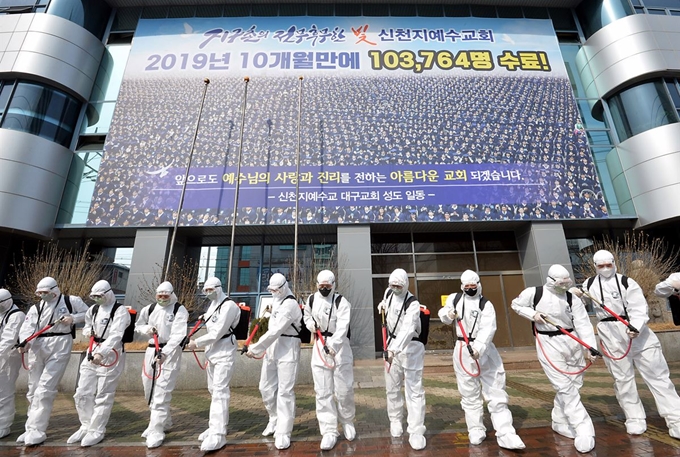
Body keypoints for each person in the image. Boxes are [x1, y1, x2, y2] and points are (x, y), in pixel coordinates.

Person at [575, 250, 680, 439]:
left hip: (636, 332)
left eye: (609, 264)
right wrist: (574, 293)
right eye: (601, 266)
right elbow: (578, 302)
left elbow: (639, 308)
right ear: (596, 266)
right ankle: (634, 418)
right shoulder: (589, 284)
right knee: (623, 380)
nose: (606, 269)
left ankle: (676, 419)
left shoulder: (627, 282)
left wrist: (636, 326)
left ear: (614, 263)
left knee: (658, 378)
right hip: (610, 334)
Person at [511, 265, 596, 453]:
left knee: (574, 384)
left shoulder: (571, 297)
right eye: (560, 282)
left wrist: (590, 346)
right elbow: (516, 304)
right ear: (550, 280)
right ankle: (583, 428)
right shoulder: (534, 293)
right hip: (548, 341)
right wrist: (533, 314)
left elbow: (583, 322)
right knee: (563, 386)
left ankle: (559, 421)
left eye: (567, 282)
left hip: (571, 341)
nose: (564, 285)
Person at [438, 270, 525, 450]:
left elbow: (488, 328)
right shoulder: (455, 299)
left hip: (484, 351)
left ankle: (506, 433)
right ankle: (476, 429)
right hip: (462, 350)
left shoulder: (486, 304)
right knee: (469, 393)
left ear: (479, 284)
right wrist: (449, 314)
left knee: (496, 391)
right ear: (462, 286)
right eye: (467, 287)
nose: (470, 289)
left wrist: (479, 347)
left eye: (473, 286)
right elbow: (443, 314)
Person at [16, 277, 88, 446]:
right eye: (40, 293)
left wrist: (73, 318)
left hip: (60, 343)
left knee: (45, 388)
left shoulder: (72, 301)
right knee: (33, 389)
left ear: (54, 290)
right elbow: (28, 327)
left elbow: (89, 313)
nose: (43, 295)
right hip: (38, 345)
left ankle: (37, 430)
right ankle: (30, 427)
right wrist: (25, 342)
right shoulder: (36, 307)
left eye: (46, 292)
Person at [67, 280, 130, 446]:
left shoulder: (120, 311)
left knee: (103, 394)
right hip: (92, 350)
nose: (97, 299)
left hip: (111, 354)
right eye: (94, 296)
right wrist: (89, 332)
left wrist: (102, 353)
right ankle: (86, 425)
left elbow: (116, 335)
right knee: (82, 392)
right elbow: (87, 324)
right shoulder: (93, 309)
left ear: (108, 293)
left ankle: (97, 430)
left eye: (100, 296)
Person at [245, 273, 302, 450]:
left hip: (287, 347)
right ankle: (274, 417)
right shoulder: (276, 301)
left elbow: (276, 330)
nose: (274, 292)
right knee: (265, 387)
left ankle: (284, 432)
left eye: (276, 289)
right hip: (272, 349)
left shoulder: (290, 304)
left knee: (285, 391)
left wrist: (255, 347)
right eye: (271, 290)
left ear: (284, 287)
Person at [185, 277, 241, 452]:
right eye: (206, 290)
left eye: (211, 290)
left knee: (220, 392)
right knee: (212, 390)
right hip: (212, 353)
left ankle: (219, 434)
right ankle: (214, 426)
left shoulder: (229, 306)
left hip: (224, 352)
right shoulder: (212, 306)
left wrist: (197, 343)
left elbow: (217, 332)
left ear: (219, 288)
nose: (208, 293)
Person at [302, 270, 356, 451]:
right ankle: (329, 431)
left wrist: (333, 345)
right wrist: (310, 324)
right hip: (319, 347)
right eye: (321, 286)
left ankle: (347, 421)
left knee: (344, 390)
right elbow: (306, 315)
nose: (324, 289)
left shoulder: (342, 302)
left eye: (328, 286)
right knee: (323, 392)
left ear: (334, 284)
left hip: (339, 349)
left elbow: (343, 327)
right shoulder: (311, 299)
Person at [377, 268, 426, 450]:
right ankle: (395, 420)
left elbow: (406, 330)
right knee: (392, 387)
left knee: (414, 390)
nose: (395, 288)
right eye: (392, 285)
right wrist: (381, 305)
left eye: (398, 286)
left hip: (410, 348)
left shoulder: (413, 304)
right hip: (390, 345)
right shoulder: (389, 292)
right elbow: (385, 303)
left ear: (405, 284)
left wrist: (394, 350)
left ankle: (416, 430)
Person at [135, 281, 188, 448]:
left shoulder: (179, 309)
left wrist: (165, 353)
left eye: (166, 296)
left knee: (162, 391)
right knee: (149, 389)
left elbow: (178, 335)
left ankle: (157, 430)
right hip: (151, 351)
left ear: (171, 294)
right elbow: (138, 325)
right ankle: (161, 421)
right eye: (160, 296)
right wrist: (147, 329)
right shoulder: (150, 309)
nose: (163, 298)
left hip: (169, 353)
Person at [0, 289, 25, 439]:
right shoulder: (2, 313)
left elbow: (8, 339)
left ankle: (4, 425)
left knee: (4, 392)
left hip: (9, 357)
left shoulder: (17, 316)